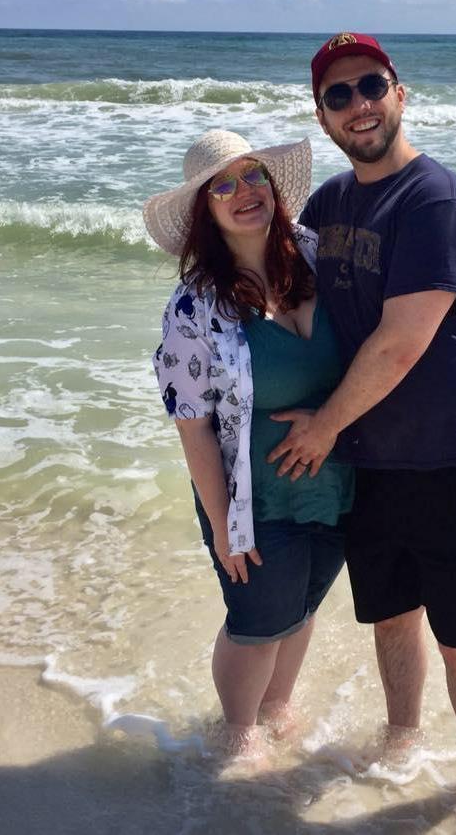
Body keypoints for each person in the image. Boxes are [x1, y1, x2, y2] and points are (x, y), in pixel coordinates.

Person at [267, 33, 456, 834]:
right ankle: (400, 735)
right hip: (376, 457)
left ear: (400, 93)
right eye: (338, 95)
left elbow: (399, 340)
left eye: (370, 85)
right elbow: (288, 301)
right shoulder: (329, 205)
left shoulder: (433, 198)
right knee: (390, 615)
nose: (358, 105)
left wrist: (319, 427)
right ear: (321, 116)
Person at [144, 129, 352, 756]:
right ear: (205, 210)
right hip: (251, 499)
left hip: (339, 482)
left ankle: (278, 706)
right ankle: (235, 735)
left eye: (253, 175)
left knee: (304, 604)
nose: (244, 193)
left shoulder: (320, 258)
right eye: (223, 186)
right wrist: (223, 524)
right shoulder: (195, 305)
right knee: (257, 623)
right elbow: (193, 427)